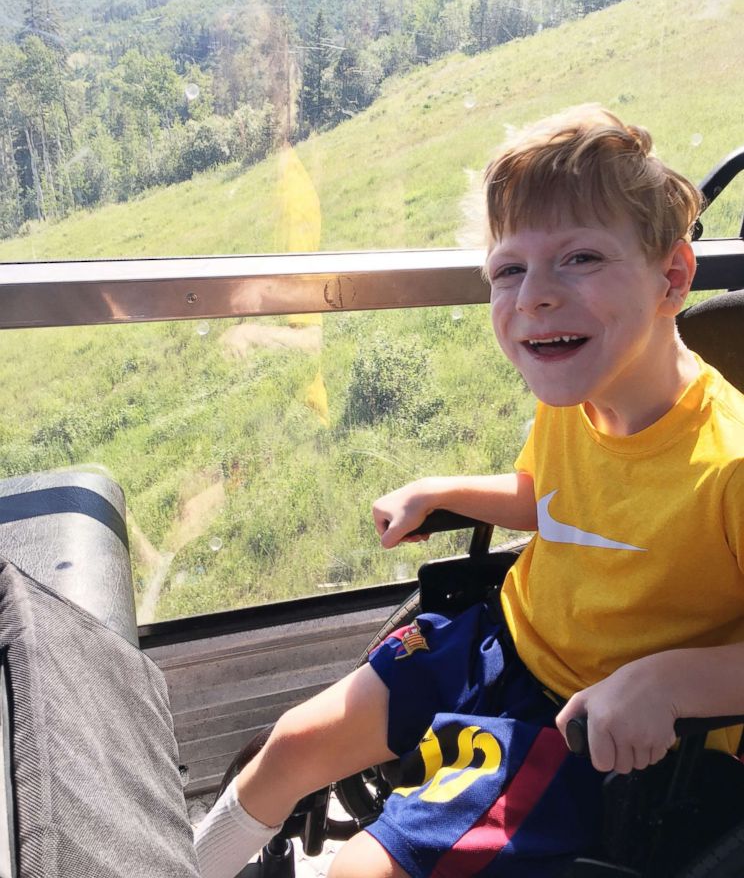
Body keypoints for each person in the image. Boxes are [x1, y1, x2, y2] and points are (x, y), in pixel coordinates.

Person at [194, 105, 744, 878]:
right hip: (497, 641)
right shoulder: (578, 400)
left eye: (580, 258)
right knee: (288, 746)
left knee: (357, 871)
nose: (533, 299)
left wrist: (667, 680)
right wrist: (441, 488)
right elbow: (551, 499)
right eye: (508, 270)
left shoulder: (729, 465)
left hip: (583, 728)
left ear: (673, 277)